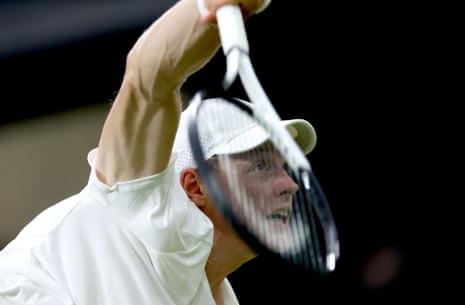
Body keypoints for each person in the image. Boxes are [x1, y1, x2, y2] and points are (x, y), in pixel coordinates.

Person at [0, 0, 318, 304]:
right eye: (261, 167)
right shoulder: (140, 207)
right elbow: (150, 75)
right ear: (195, 187)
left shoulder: (218, 295)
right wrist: (209, 5)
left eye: (285, 167)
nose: (289, 184)